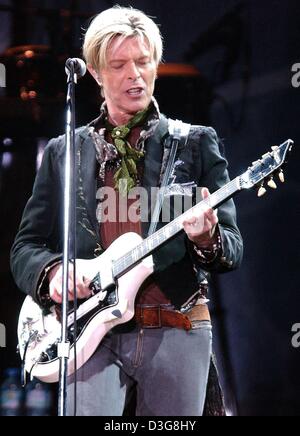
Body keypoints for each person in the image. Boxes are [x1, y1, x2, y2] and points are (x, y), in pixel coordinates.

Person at [10, 6, 243, 416]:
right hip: (89, 331)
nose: (134, 74)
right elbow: (25, 247)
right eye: (119, 65)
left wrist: (206, 237)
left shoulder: (193, 144)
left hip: (177, 323)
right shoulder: (67, 152)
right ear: (97, 74)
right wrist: (54, 273)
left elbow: (232, 248)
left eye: (143, 61)